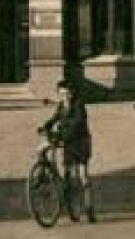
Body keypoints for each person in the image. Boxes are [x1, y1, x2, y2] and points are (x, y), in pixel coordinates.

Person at [39, 81, 96, 223]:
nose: (65, 96)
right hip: (68, 142)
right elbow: (54, 119)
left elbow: (77, 123)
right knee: (68, 173)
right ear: (59, 94)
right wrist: (45, 126)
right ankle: (69, 201)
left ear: (72, 93)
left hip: (81, 142)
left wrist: (63, 136)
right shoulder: (61, 106)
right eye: (62, 93)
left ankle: (89, 208)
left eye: (68, 93)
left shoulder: (79, 106)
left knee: (83, 176)